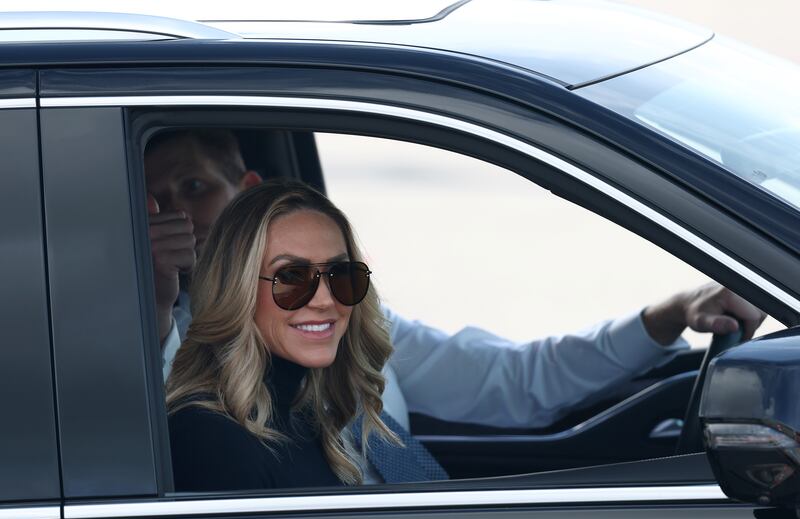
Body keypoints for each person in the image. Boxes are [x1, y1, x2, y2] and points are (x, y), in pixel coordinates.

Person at [147, 128, 767, 483]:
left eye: (195, 188)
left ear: (245, 192)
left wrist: (670, 313)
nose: (177, 212)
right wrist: (155, 301)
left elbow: (516, 381)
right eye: (151, 200)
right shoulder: (175, 381)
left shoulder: (350, 325)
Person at [167, 182, 396, 490]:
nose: (325, 300)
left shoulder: (303, 412)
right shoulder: (210, 438)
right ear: (238, 291)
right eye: (290, 277)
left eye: (340, 274)